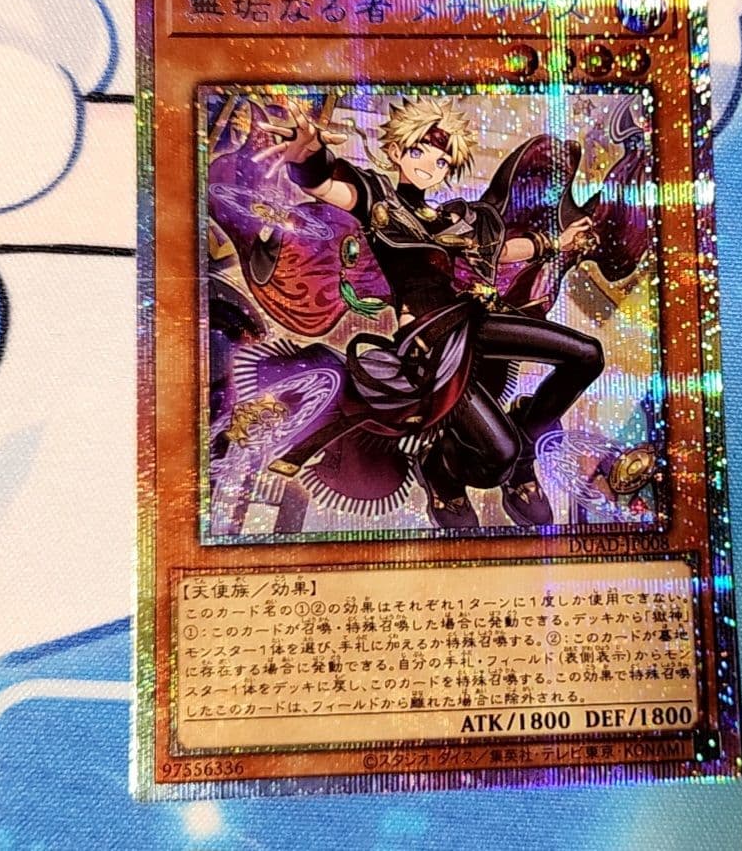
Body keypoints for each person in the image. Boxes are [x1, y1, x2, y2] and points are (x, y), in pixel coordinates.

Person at [244, 95, 603, 528]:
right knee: (499, 457)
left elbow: (501, 251)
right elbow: (329, 186)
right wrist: (309, 158)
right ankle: (442, 473)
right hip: (430, 343)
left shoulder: (450, 217)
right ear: (396, 152)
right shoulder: (379, 201)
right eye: (420, 152)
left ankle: (528, 441)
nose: (431, 165)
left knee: (588, 355)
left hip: (472, 319)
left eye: (442, 161)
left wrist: (556, 244)